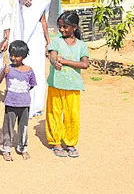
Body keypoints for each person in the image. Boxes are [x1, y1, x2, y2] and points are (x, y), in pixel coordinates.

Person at [47, 11, 89, 158]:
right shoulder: (56, 41)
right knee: (54, 113)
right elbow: (52, 56)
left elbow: (84, 64)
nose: (62, 29)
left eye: (65, 27)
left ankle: (70, 142)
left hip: (73, 86)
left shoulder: (82, 45)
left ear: (75, 27)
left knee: (72, 115)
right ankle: (56, 142)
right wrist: (55, 62)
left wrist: (64, 61)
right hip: (55, 84)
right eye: (60, 27)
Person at [10, 0, 51, 118]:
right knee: (21, 70)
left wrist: (48, 41)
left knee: (37, 71)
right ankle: (21, 103)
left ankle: (36, 105)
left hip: (36, 39)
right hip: (21, 37)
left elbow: (43, 21)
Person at [0, 40, 37, 161]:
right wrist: (4, 72)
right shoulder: (7, 68)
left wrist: (21, 93)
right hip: (10, 103)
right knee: (8, 127)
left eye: (16, 56)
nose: (13, 58)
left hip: (24, 104)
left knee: (23, 127)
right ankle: (6, 149)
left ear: (23, 56)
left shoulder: (29, 70)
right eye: (11, 55)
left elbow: (31, 84)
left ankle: (22, 148)